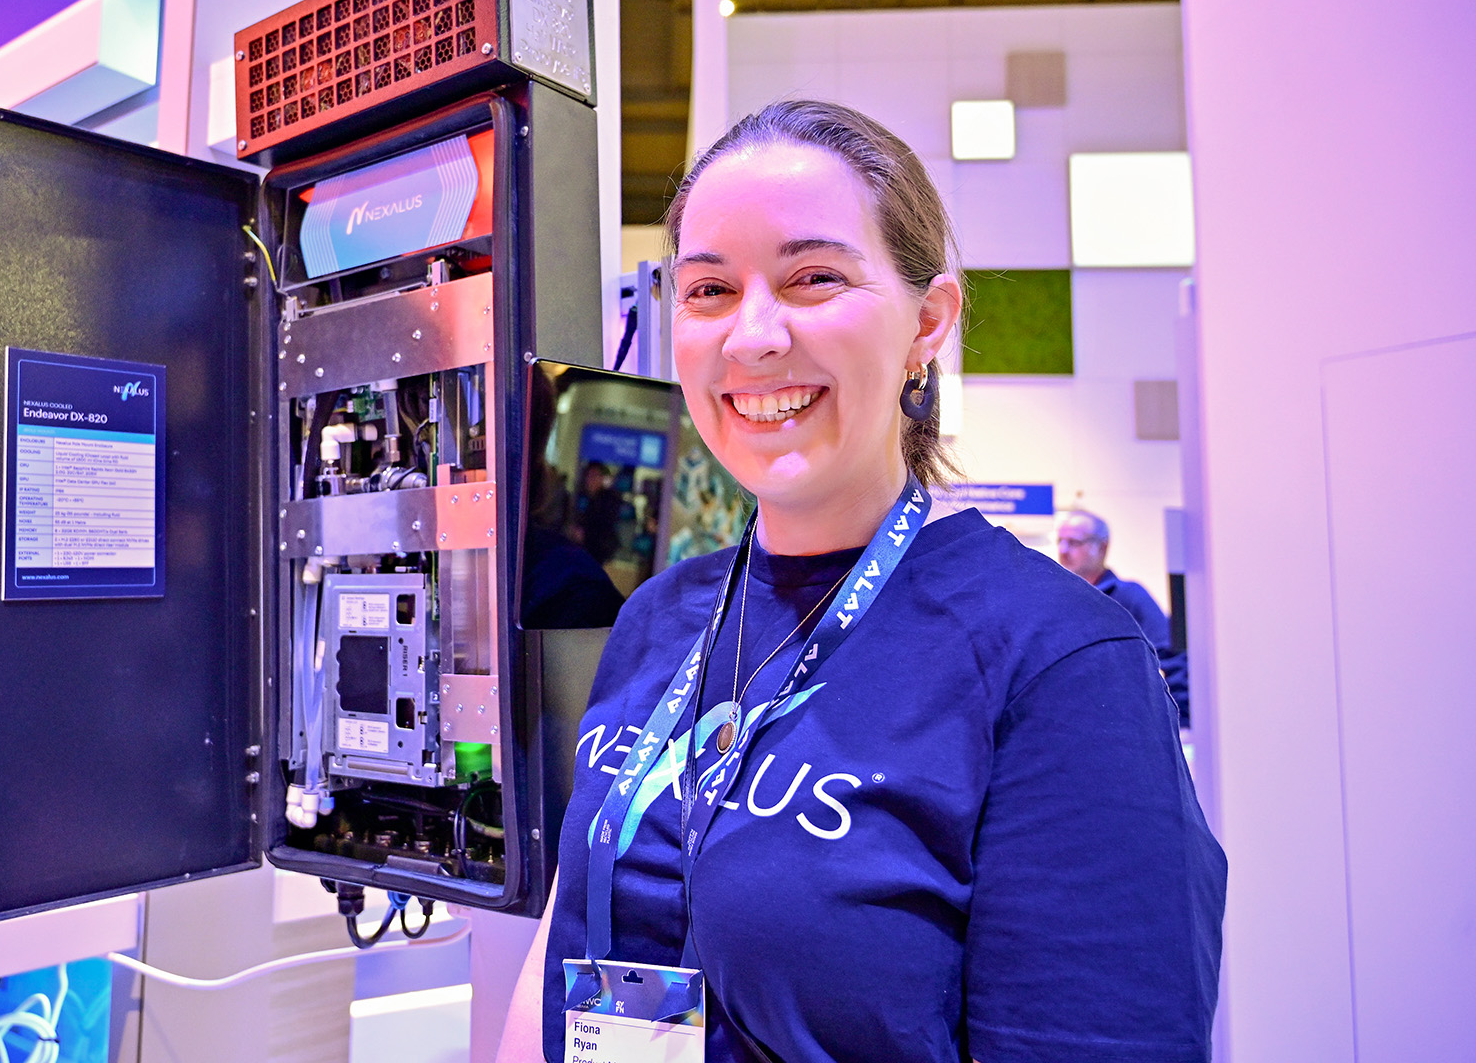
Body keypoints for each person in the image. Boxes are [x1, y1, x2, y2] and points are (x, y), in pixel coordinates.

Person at [498, 100, 1224, 1063]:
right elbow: (567, 936)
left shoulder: (1057, 661)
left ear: (929, 323)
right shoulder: (657, 621)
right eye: (709, 289)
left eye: (813, 278)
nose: (752, 336)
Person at [1057, 508, 1191, 723]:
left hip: (1120, 724)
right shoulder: (1058, 600)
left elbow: (1171, 654)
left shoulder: (1130, 597)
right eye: (1060, 541)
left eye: (1074, 542)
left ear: (1102, 546)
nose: (1063, 550)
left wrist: (1181, 720)